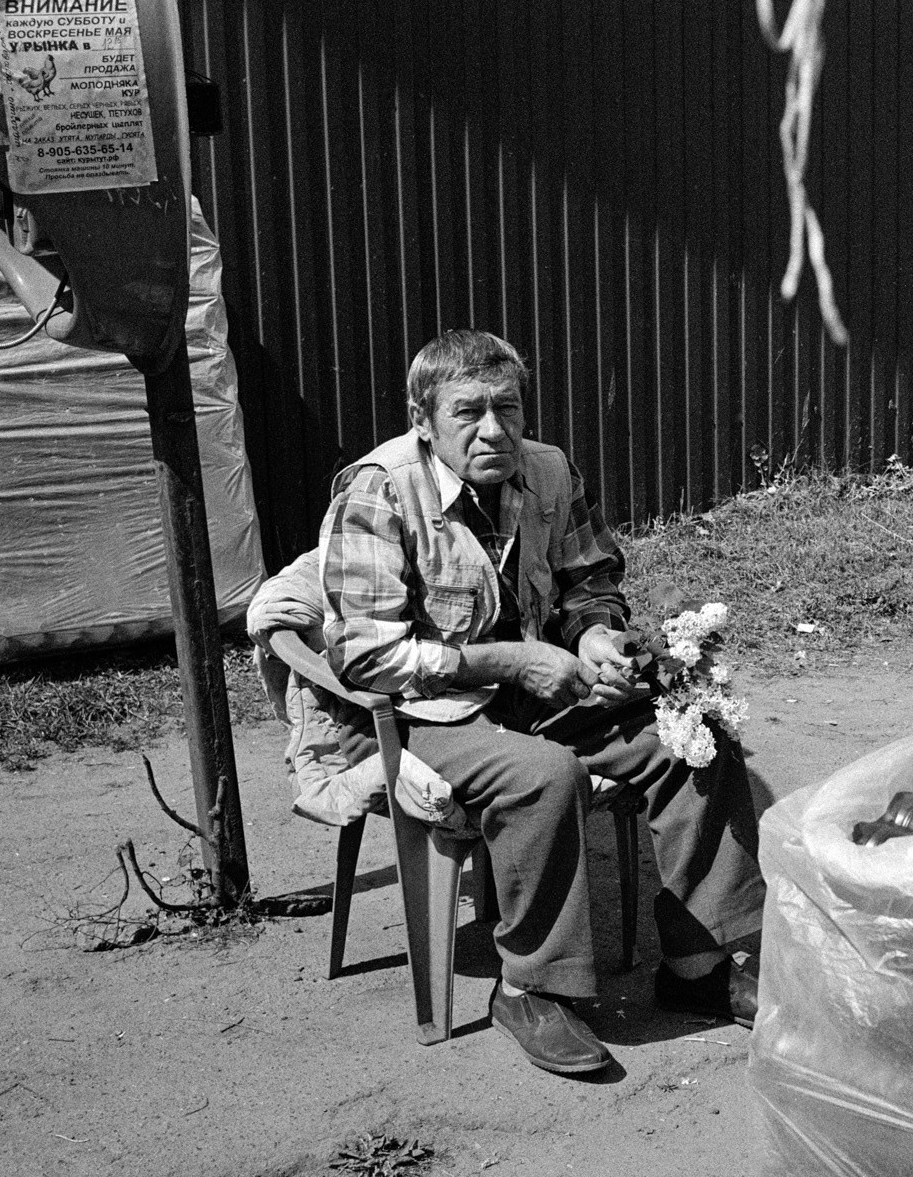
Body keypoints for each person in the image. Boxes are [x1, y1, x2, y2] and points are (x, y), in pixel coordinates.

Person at [314, 329, 766, 1076]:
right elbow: (362, 654)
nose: (494, 430)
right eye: (468, 412)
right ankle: (529, 987)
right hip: (427, 714)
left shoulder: (548, 470)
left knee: (691, 731)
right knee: (544, 774)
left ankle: (696, 963)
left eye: (509, 408)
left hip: (541, 691)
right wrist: (512, 660)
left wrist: (594, 635)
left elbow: (591, 579)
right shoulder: (380, 489)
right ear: (422, 418)